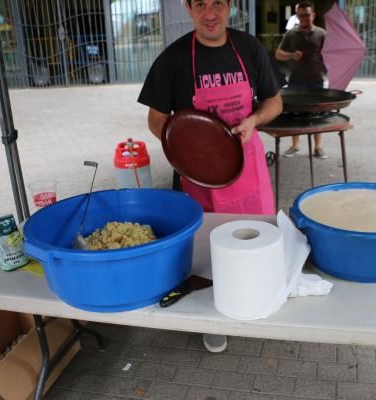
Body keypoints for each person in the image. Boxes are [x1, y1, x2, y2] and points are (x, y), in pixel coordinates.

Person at [138, 0, 283, 352]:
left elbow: (274, 102)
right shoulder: (173, 60)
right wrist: (191, 148)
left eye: (217, 2)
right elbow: (157, 120)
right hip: (202, 174)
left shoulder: (248, 48)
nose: (210, 13)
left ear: (229, 5)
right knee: (209, 249)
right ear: (189, 9)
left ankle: (259, 299)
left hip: (248, 167)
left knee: (257, 238)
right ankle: (215, 317)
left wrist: (253, 120)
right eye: (201, 4)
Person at [275, 1, 328, 159]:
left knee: (317, 113)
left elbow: (331, 54)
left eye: (307, 15)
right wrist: (292, 55)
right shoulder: (291, 34)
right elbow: (278, 53)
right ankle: (295, 145)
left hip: (316, 80)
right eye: (301, 15)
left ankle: (318, 148)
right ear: (297, 16)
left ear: (313, 15)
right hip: (296, 80)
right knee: (295, 114)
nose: (304, 18)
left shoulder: (322, 34)